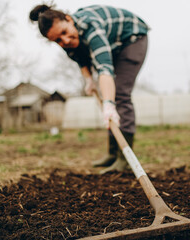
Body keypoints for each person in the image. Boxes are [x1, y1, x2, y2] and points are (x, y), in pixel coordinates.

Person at [29, 4, 149, 173]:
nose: (65, 41)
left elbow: (105, 69)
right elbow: (80, 58)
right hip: (114, 43)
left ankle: (125, 159)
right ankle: (113, 154)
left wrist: (108, 104)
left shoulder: (92, 29)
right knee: (108, 93)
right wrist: (88, 80)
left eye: (64, 32)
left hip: (132, 39)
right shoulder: (67, 41)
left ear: (69, 20)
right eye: (57, 40)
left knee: (119, 93)